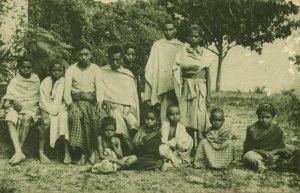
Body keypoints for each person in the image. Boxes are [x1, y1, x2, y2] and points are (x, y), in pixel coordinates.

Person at [64, 41, 104, 165]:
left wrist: (100, 103)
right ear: (77, 55)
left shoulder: (96, 69)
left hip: (92, 101)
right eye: (80, 54)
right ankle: (82, 152)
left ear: (90, 54)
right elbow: (66, 92)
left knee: (97, 117)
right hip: (76, 101)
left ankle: (92, 151)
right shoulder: (71, 70)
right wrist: (71, 105)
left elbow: (100, 88)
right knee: (76, 116)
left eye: (86, 54)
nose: (83, 57)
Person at [173, 24, 214, 142]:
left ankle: (202, 146)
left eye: (196, 36)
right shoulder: (183, 52)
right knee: (187, 117)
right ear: (187, 37)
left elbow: (208, 75)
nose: (193, 38)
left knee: (200, 117)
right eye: (191, 36)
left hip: (200, 87)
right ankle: (190, 145)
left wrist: (209, 95)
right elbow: (176, 68)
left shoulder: (205, 53)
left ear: (200, 37)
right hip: (186, 86)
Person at [1, 56, 40, 165]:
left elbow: (36, 97)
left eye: (29, 67)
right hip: (16, 107)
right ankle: (19, 152)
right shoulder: (15, 80)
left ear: (32, 68)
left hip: (31, 107)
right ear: (19, 68)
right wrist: (13, 101)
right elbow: (9, 95)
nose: (26, 70)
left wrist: (26, 105)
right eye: (23, 67)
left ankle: (18, 152)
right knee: (9, 119)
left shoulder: (35, 79)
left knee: (26, 118)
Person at [100, 45, 139, 152]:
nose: (115, 63)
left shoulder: (127, 74)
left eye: (118, 60)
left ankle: (136, 145)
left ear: (122, 59)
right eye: (112, 60)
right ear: (108, 58)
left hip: (126, 106)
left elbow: (133, 94)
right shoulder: (102, 72)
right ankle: (130, 148)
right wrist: (105, 100)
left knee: (133, 121)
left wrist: (132, 107)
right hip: (111, 105)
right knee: (117, 118)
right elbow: (98, 91)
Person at [144, 20, 183, 122]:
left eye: (171, 29)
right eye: (166, 29)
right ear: (163, 30)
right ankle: (165, 133)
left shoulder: (180, 46)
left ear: (175, 30)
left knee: (178, 109)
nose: (168, 32)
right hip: (162, 83)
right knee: (164, 110)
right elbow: (151, 66)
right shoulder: (157, 45)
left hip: (176, 83)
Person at [243, 103, 293, 172]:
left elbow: (281, 148)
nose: (264, 120)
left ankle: (267, 166)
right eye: (261, 117)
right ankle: (263, 165)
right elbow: (247, 148)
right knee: (248, 156)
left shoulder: (277, 130)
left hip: (272, 156)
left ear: (272, 117)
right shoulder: (251, 129)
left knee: (288, 155)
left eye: (267, 117)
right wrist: (263, 152)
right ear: (258, 116)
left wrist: (277, 157)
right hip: (258, 156)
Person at [39, 59, 71, 164]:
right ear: (50, 70)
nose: (57, 72)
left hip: (61, 106)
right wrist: (50, 110)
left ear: (63, 71)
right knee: (46, 121)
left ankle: (67, 152)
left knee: (64, 119)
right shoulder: (45, 81)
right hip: (47, 106)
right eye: (54, 70)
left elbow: (59, 100)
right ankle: (41, 151)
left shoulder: (63, 82)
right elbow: (42, 99)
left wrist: (55, 111)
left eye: (59, 70)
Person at [159, 105, 193, 171]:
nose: (175, 117)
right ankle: (171, 161)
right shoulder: (165, 125)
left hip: (178, 149)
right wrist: (170, 144)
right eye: (172, 114)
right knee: (162, 149)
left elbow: (181, 141)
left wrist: (175, 144)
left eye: (177, 114)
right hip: (169, 147)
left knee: (187, 140)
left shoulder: (181, 127)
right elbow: (163, 139)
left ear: (180, 115)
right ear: (167, 116)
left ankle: (171, 161)